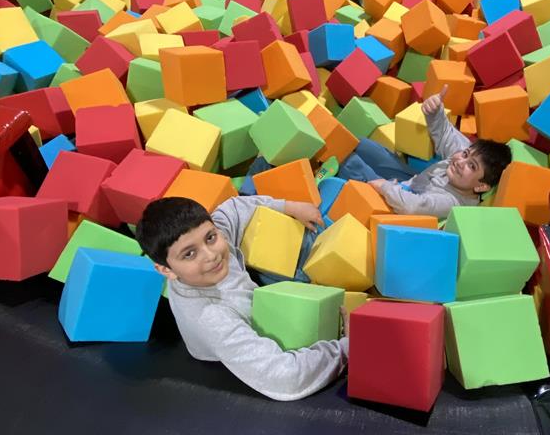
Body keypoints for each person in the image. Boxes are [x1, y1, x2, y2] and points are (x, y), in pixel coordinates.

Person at [135, 194, 348, 401]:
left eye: (210, 238)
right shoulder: (211, 317)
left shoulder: (217, 238)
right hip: (226, 351)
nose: (211, 255)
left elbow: (234, 207)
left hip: (255, 302)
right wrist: (348, 347)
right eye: (189, 254)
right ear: (166, 270)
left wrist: (289, 206)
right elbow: (286, 378)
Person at [340, 85, 512, 218]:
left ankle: (338, 161)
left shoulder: (452, 203)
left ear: (481, 186)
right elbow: (446, 133)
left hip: (400, 203)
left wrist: (384, 186)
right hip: (412, 181)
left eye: (472, 166)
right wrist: (434, 111)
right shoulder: (461, 157)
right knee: (360, 144)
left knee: (349, 161)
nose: (460, 162)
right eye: (465, 154)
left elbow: (412, 207)